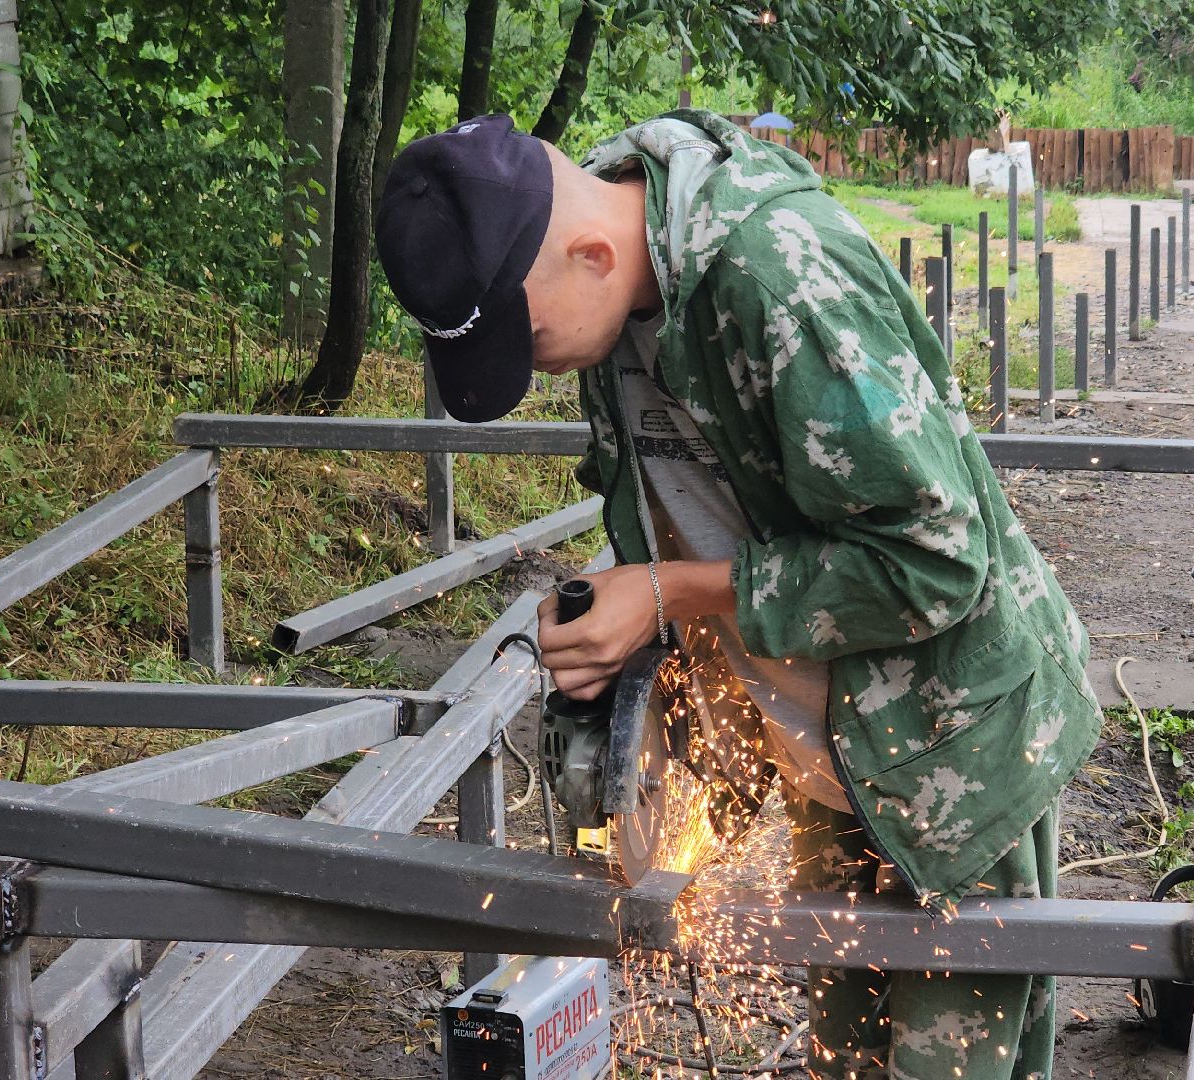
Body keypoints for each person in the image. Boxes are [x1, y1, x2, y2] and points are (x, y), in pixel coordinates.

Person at [374, 109, 1101, 1080]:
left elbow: (934, 561)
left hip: (941, 757)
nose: (534, 363)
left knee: (947, 1065)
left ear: (591, 254)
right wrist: (622, 631)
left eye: (528, 336)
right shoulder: (613, 296)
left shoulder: (777, 281)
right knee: (846, 1059)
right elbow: (692, 504)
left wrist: (666, 591)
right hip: (826, 752)